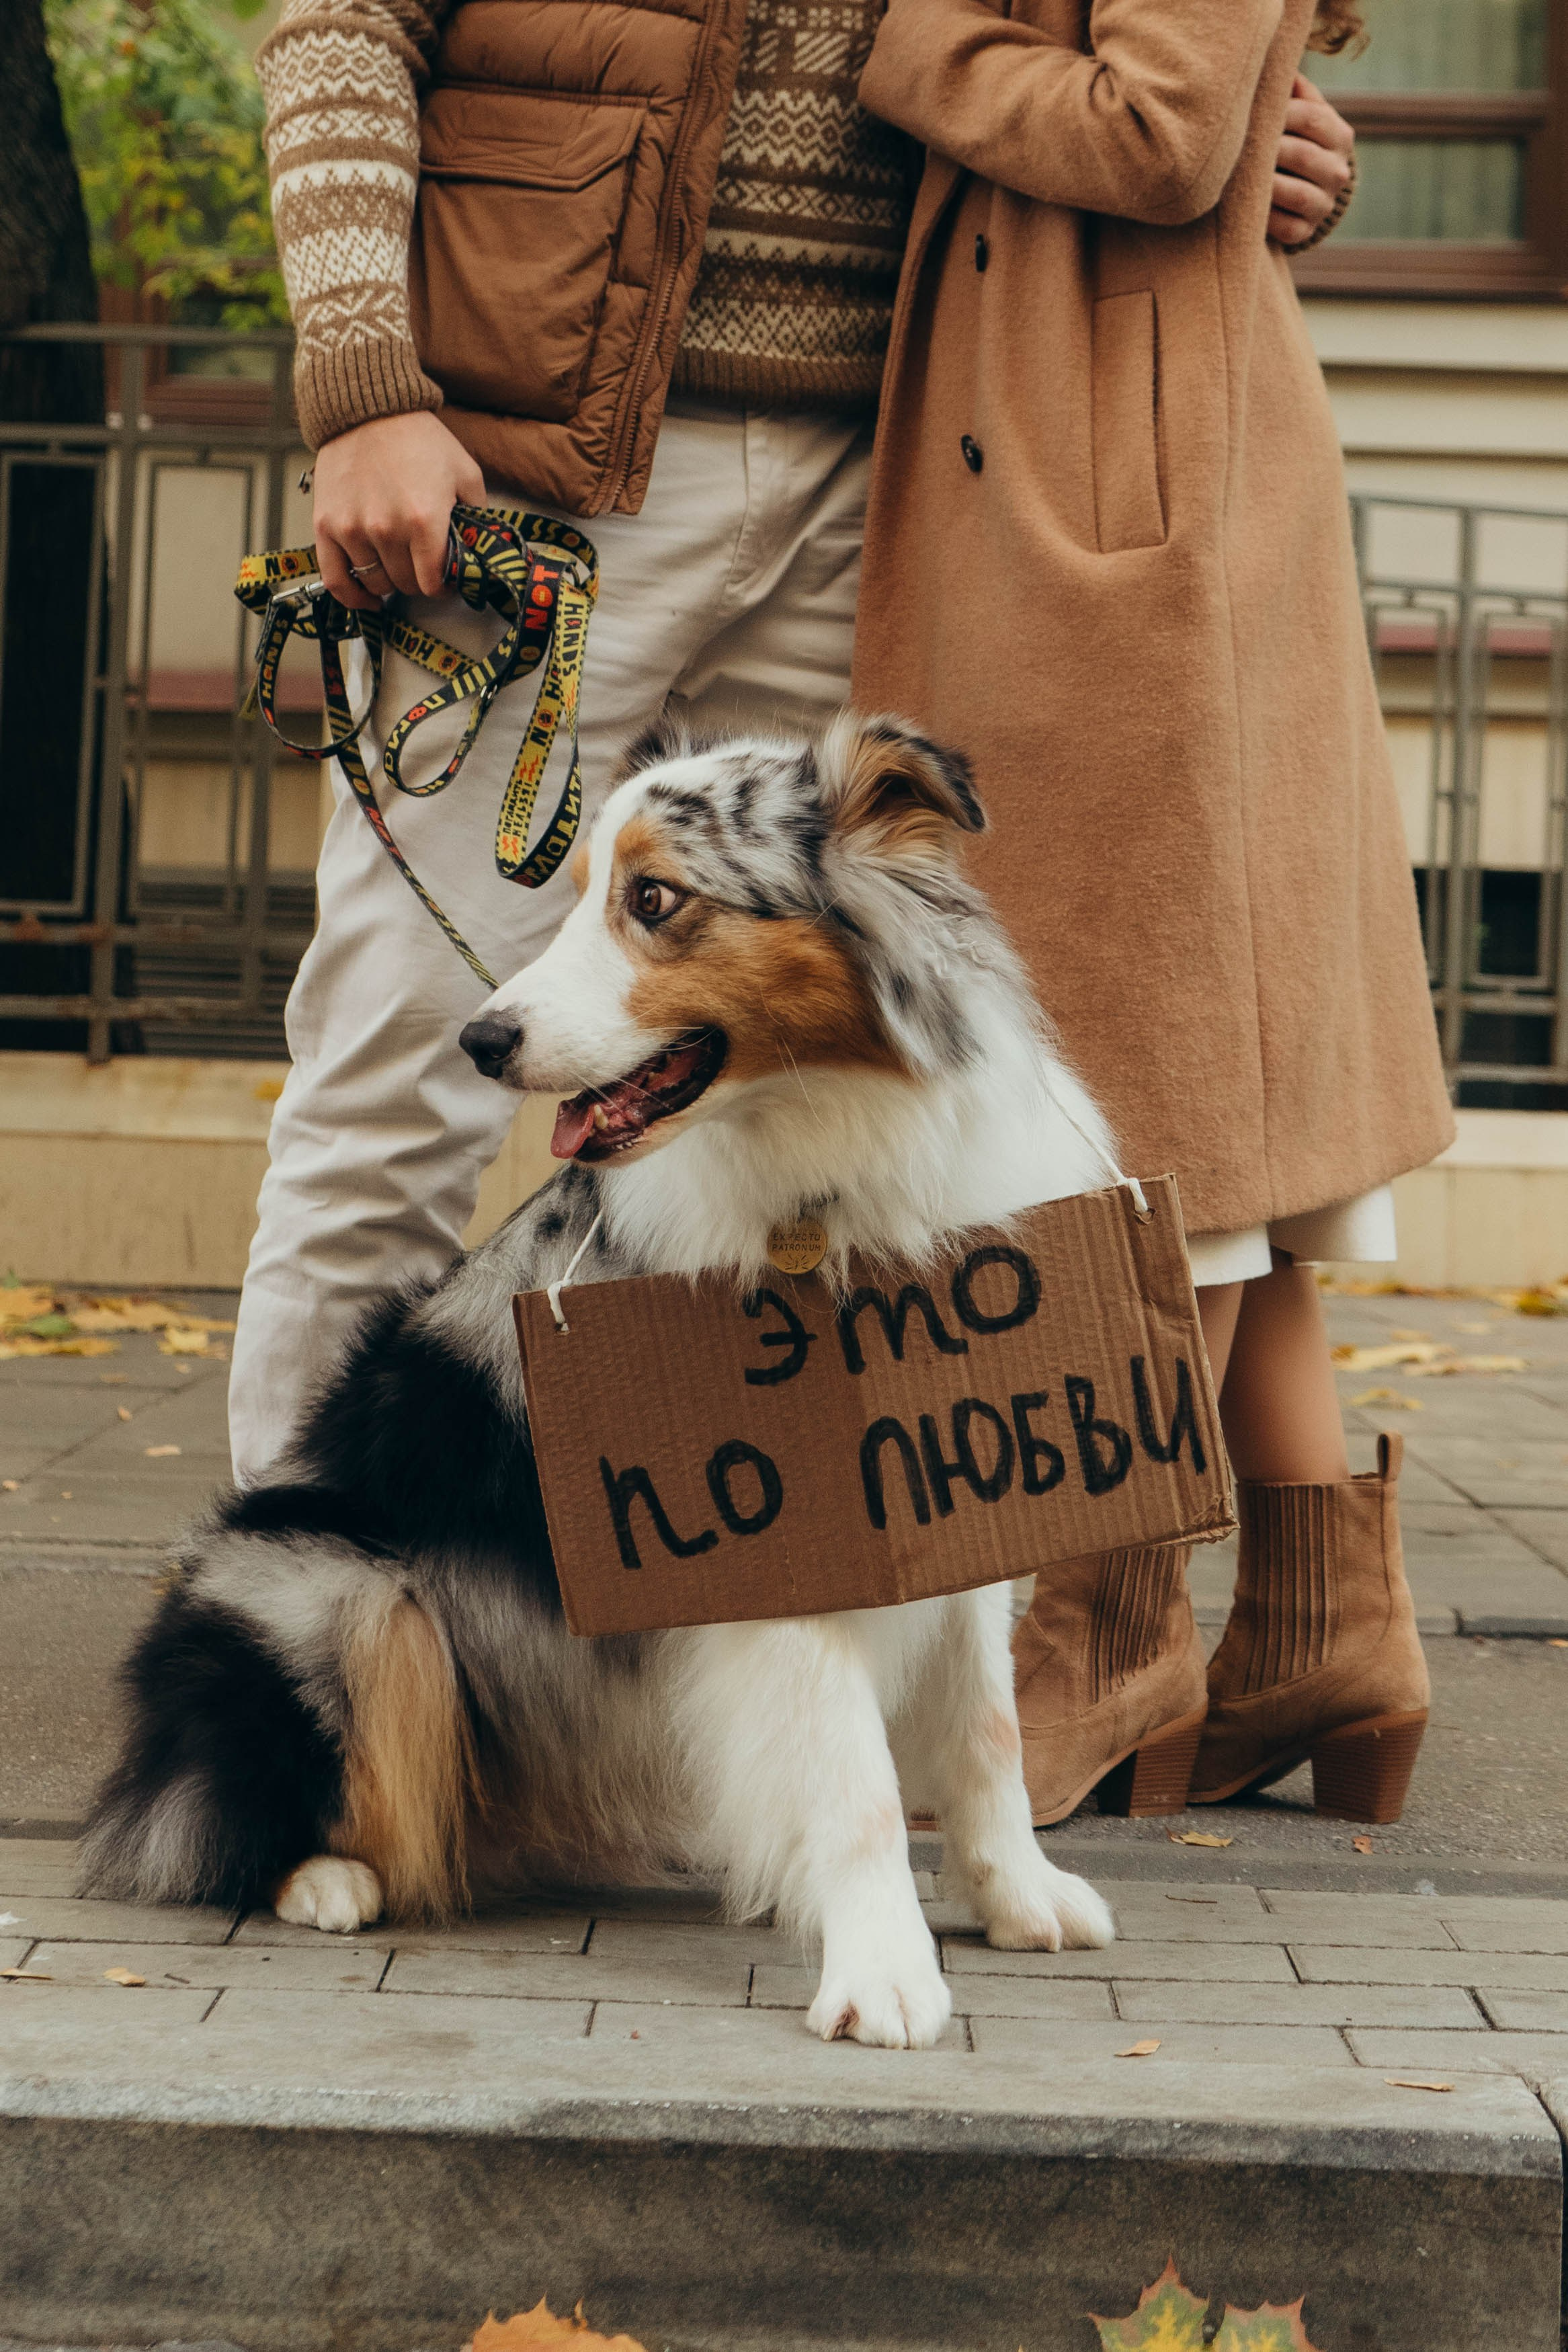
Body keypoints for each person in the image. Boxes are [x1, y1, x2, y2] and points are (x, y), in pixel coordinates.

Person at [233, 0, 1361, 1485]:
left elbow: (1080, 59)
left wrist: (1236, 119)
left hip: (902, 474)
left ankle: (744, 1637)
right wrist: (367, 383)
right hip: (531, 473)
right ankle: (298, 1600)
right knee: (402, 1057)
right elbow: (337, 20)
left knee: (827, 1106)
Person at [851, 0, 1450, 1821]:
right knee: (1201, 1081)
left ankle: (1096, 1627)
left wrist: (914, 49)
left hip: (1114, 484)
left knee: (1143, 1085)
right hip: (1101, 436)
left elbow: (1161, 132)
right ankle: (1314, 1624)